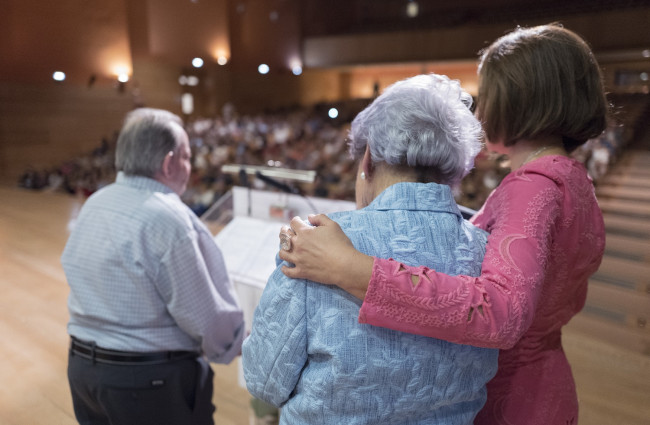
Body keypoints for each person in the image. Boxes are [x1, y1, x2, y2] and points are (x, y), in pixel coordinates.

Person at [278, 23, 608, 425]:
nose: (481, 110)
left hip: (512, 396)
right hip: (547, 379)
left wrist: (348, 266)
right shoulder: (571, 178)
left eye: (488, 92)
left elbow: (499, 311)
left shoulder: (532, 187)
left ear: (518, 98)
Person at [242, 73, 499, 425]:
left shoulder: (315, 243)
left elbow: (263, 380)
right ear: (456, 170)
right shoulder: (488, 251)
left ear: (367, 161)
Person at [62, 108, 245, 425]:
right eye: (187, 158)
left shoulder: (96, 202)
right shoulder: (169, 219)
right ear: (168, 163)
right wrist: (241, 343)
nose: (189, 168)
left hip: (83, 369)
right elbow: (206, 318)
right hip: (146, 381)